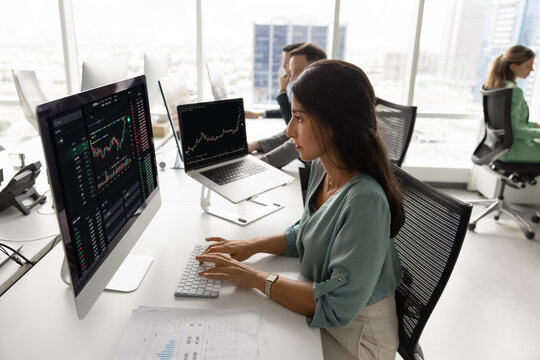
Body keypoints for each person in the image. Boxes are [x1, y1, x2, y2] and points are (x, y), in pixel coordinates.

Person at [197, 60, 405, 360]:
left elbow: (335, 306)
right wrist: (247, 246)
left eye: (299, 118)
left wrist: (250, 276)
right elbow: (305, 232)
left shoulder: (365, 201)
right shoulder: (324, 166)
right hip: (325, 315)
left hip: (356, 341)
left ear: (335, 123)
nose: (289, 130)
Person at [248, 43, 327, 168]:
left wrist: (259, 165)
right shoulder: (310, 98)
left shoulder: (325, 103)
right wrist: (258, 144)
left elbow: (299, 139)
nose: (291, 79)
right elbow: (293, 130)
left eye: (298, 72)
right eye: (291, 72)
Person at [484, 45, 539, 162]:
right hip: (513, 150)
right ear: (514, 67)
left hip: (497, 149)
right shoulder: (514, 92)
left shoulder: (497, 87)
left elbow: (506, 123)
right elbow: (514, 131)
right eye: (528, 66)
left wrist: (534, 126)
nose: (532, 70)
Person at [245, 42, 304, 122]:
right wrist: (260, 113)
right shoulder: (298, 86)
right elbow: (289, 111)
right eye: (282, 62)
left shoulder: (306, 90)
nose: (283, 66)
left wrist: (282, 90)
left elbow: (290, 120)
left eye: (287, 62)